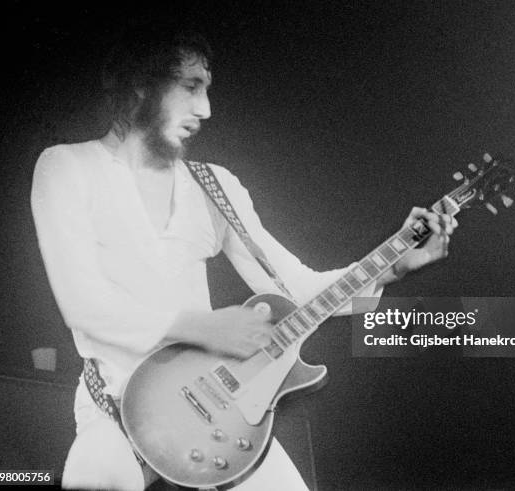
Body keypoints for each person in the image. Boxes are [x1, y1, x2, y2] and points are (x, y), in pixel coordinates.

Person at [31, 26, 457, 491]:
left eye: (207, 90)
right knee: (90, 480)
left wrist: (391, 263)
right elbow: (83, 305)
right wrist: (204, 326)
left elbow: (293, 288)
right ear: (140, 85)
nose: (206, 109)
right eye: (191, 87)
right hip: (115, 407)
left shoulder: (214, 185)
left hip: (217, 406)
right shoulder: (67, 168)